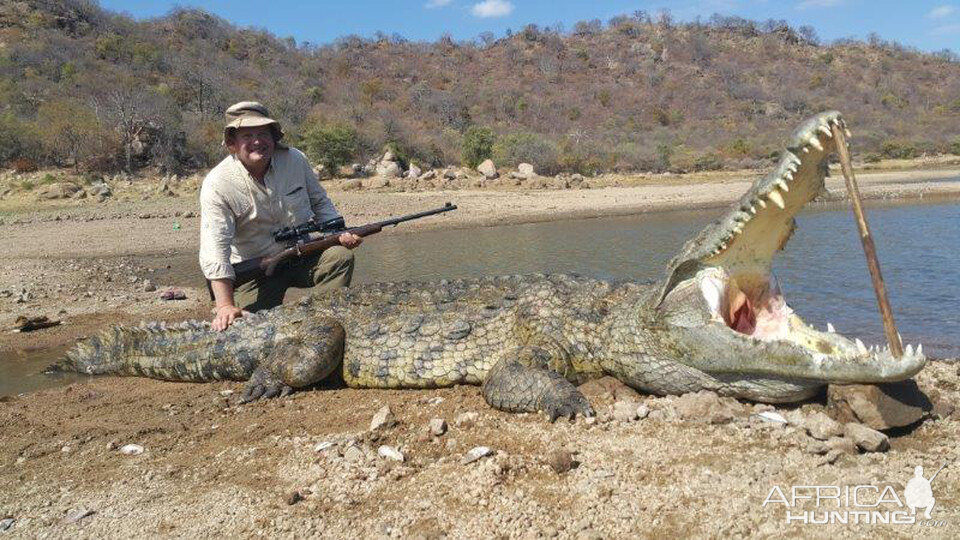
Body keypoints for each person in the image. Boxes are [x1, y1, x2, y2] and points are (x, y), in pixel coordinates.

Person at [199, 101, 362, 331]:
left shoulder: (295, 159)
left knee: (339, 257)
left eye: (263, 133)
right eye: (247, 135)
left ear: (274, 137)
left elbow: (321, 203)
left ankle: (322, 325)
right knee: (246, 331)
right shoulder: (217, 184)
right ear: (232, 143)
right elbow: (215, 248)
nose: (257, 141)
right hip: (256, 271)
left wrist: (338, 233)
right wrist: (225, 305)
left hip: (301, 256)